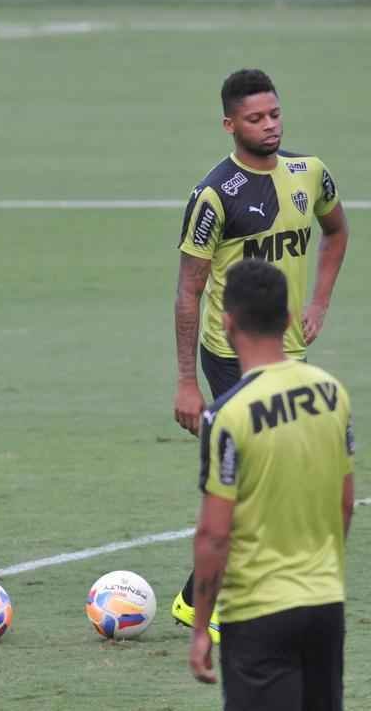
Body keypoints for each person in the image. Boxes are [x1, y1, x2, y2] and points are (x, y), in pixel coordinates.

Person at [171, 68, 349, 641]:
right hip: (229, 357)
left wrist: (318, 301)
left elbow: (337, 231)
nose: (269, 125)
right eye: (255, 118)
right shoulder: (213, 197)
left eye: (274, 114)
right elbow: (189, 290)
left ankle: (193, 594)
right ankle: (208, 602)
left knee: (283, 477)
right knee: (247, 482)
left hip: (288, 352)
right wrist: (186, 382)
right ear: (230, 124)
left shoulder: (310, 173)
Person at [188, 259, 353, 710]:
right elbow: (344, 504)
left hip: (258, 613)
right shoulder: (331, 393)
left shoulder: (227, 414)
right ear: (287, 319)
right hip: (325, 605)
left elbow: (214, 535)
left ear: (226, 322)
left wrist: (202, 628)